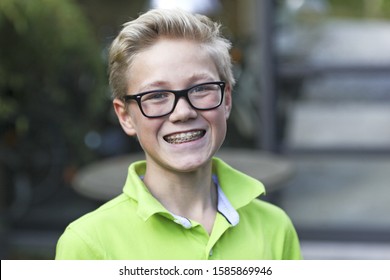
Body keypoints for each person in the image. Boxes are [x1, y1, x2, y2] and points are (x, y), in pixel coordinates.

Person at [55, 8, 302, 260]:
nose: (183, 112)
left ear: (226, 100)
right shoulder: (88, 244)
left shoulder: (275, 228)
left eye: (201, 89)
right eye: (156, 95)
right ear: (125, 117)